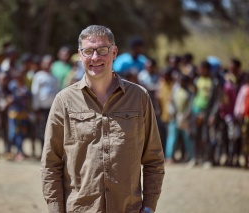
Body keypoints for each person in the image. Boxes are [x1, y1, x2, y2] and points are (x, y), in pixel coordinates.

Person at [41, 25, 164, 213]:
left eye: (102, 50)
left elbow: (153, 159)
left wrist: (148, 207)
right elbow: (51, 163)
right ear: (80, 55)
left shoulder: (139, 97)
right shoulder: (64, 101)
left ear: (114, 52)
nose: (95, 57)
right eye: (88, 51)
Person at [31, 55, 59, 157]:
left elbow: (57, 92)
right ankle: (42, 151)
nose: (48, 65)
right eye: (46, 62)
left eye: (50, 63)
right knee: (41, 130)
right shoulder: (39, 76)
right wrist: (36, 108)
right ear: (42, 64)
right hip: (41, 109)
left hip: (51, 109)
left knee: (51, 131)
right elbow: (35, 92)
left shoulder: (54, 78)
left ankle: (49, 152)